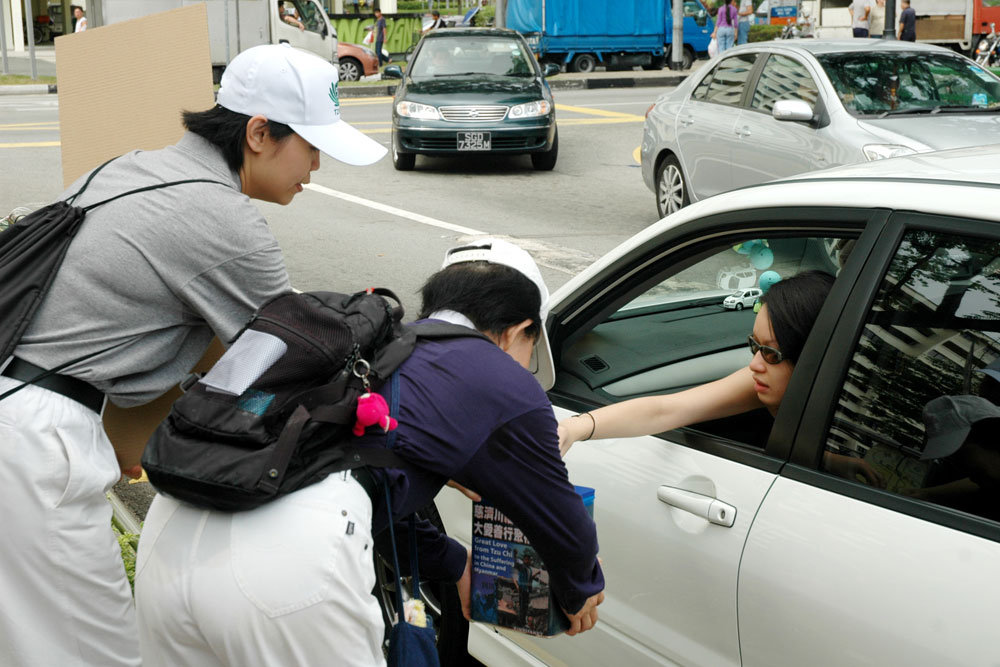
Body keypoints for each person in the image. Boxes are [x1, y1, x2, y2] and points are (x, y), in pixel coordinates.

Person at [0, 43, 385, 667]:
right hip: (33, 443)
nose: (316, 165)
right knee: (98, 653)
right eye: (311, 145)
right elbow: (299, 359)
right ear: (260, 133)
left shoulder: (133, 167)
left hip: (17, 408)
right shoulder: (224, 220)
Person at [134, 238, 605, 666]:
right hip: (291, 559)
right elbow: (559, 516)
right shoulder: (505, 383)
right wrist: (580, 588)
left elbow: (369, 476)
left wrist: (455, 562)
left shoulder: (383, 352)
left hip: (173, 531)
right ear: (517, 330)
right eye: (529, 349)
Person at [559, 271, 884, 488]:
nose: (755, 364)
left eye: (771, 353)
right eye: (754, 346)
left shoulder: (871, 412)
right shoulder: (763, 381)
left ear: (812, 360)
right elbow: (665, 411)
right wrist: (575, 428)